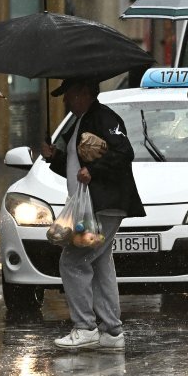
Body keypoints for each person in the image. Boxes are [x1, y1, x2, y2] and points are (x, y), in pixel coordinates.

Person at [42, 79, 145, 350]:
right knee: (100, 264)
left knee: (73, 261)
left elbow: (124, 152)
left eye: (69, 94)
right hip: (92, 204)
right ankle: (111, 332)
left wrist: (95, 171)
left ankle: (85, 327)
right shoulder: (82, 121)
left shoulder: (103, 117)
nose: (65, 100)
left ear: (85, 92)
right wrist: (54, 157)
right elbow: (77, 167)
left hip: (103, 205)